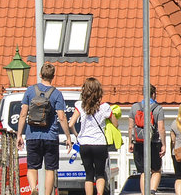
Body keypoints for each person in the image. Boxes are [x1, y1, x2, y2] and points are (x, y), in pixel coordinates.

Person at [16, 62, 74, 195]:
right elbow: (62, 117)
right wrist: (68, 137)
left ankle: (33, 188)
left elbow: (23, 114)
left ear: (40, 75)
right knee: (50, 169)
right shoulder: (57, 94)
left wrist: (20, 134)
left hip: (32, 135)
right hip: (50, 136)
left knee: (32, 167)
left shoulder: (30, 91)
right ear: (53, 76)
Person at [69, 77, 114, 195]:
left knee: (88, 174)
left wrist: (77, 135)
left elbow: (70, 124)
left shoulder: (80, 105)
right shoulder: (104, 107)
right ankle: (99, 192)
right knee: (100, 173)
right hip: (100, 143)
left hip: (85, 143)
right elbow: (116, 123)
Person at [130, 85, 164, 195]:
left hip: (139, 142)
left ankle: (145, 193)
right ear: (153, 94)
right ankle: (152, 191)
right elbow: (161, 128)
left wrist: (131, 142)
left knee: (143, 172)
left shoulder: (135, 107)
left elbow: (131, 127)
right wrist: (163, 144)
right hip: (153, 142)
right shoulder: (158, 108)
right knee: (156, 170)